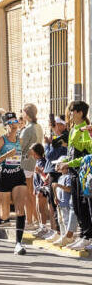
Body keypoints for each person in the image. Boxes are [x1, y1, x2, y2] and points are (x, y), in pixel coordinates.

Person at [0, 112, 28, 255]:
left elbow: (22, 156)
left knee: (20, 209)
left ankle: (18, 243)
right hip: (4, 176)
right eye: (10, 123)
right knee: (4, 215)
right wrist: (5, 156)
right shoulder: (1, 140)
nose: (13, 125)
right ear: (5, 126)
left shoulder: (20, 140)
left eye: (15, 121)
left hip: (18, 175)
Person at [56, 101, 92, 250]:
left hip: (82, 174)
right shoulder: (73, 130)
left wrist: (69, 164)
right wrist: (63, 162)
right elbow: (71, 154)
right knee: (76, 207)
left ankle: (87, 236)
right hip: (73, 173)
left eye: (72, 111)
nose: (69, 114)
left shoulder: (85, 131)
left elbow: (86, 155)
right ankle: (84, 235)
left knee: (83, 206)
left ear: (80, 113)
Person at [19, 104, 43, 229]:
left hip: (26, 164)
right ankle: (35, 220)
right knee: (32, 193)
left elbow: (20, 147)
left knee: (28, 194)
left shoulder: (28, 129)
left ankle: (29, 221)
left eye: (23, 112)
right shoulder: (38, 127)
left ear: (27, 114)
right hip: (34, 164)